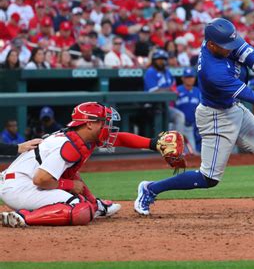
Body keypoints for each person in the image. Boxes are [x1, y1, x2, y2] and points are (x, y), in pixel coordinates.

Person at [135, 18, 254, 217]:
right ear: (212, 45)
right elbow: (250, 96)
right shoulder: (212, 71)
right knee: (208, 178)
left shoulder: (223, 38)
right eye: (226, 47)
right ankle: (150, 189)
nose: (232, 48)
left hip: (233, 108)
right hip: (216, 117)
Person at [0, 102, 174, 227]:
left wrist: (152, 144)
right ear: (89, 124)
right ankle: (23, 217)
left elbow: (120, 138)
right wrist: (69, 185)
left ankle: (95, 205)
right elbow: (41, 179)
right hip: (20, 188)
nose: (107, 126)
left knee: (85, 201)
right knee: (79, 209)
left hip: (21, 183)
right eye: (103, 122)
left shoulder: (81, 138)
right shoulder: (68, 145)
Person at [144, 49, 186, 136]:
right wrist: (169, 90)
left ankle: (176, 144)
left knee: (179, 116)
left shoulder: (167, 72)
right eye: (159, 59)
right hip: (152, 106)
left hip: (165, 106)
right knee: (177, 116)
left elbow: (173, 87)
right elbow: (154, 91)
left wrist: (171, 90)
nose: (162, 61)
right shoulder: (150, 72)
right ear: (154, 61)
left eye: (163, 59)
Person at [175, 67, 201, 153]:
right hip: (178, 127)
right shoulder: (177, 90)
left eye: (191, 77)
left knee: (192, 153)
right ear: (182, 78)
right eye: (187, 77)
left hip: (191, 127)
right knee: (178, 151)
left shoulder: (198, 91)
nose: (190, 79)